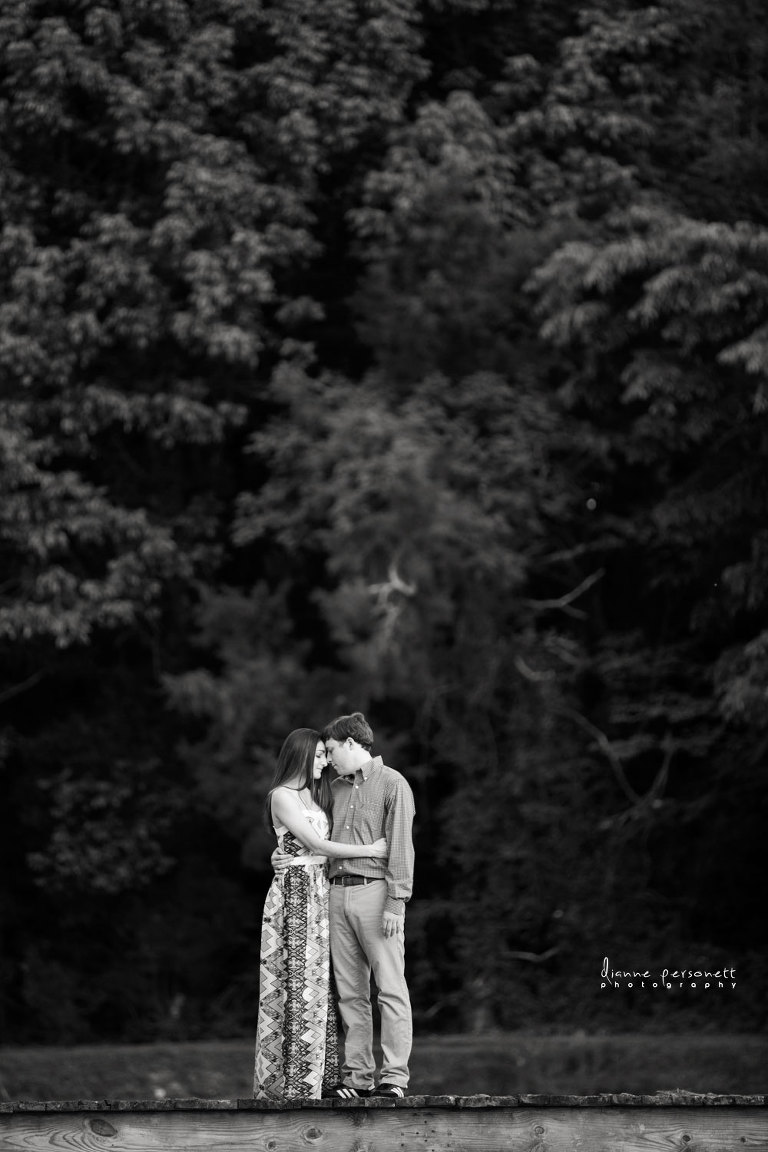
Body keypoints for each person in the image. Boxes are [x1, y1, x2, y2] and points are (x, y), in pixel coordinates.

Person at [273, 711, 416, 1099]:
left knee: (389, 987)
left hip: (376, 893)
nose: (328, 758)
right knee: (350, 993)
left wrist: (396, 904)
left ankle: (394, 1079)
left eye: (332, 749)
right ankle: (357, 1078)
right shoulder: (331, 789)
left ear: (352, 744)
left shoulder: (393, 784)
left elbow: (402, 847)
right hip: (335, 894)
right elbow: (308, 836)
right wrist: (280, 855)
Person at [253, 727, 388, 1101]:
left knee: (319, 986)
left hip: (319, 889)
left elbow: (308, 846)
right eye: (317, 756)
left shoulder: (316, 794)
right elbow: (312, 843)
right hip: (295, 893)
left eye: (325, 755)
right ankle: (293, 1084)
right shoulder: (281, 796)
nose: (324, 761)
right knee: (296, 982)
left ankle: (321, 1080)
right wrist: (372, 852)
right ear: (299, 756)